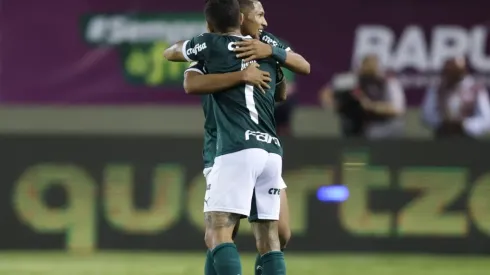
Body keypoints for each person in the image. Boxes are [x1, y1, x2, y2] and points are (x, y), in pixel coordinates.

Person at [163, 0, 308, 274]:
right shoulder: (210, 49)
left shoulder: (264, 44)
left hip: (245, 147)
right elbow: (190, 81)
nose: (265, 22)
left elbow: (287, 85)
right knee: (237, 233)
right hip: (228, 145)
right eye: (260, 15)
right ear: (241, 18)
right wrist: (242, 75)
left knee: (254, 232)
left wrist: (272, 55)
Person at [421, 57, 490, 138]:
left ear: (464, 72)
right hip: (443, 137)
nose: (452, 76)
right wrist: (442, 123)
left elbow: (487, 119)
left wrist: (465, 125)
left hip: (469, 139)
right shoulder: (436, 88)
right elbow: (427, 115)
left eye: (455, 73)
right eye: (449, 72)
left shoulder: (476, 89)